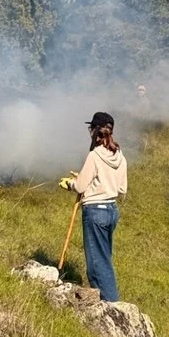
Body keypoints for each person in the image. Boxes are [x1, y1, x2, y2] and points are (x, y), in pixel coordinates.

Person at [59, 111, 127, 303]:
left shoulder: (95, 155)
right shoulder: (119, 154)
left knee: (97, 264)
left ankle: (110, 305)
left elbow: (80, 187)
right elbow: (122, 188)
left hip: (95, 211)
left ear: (94, 131)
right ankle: (107, 300)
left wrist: (72, 183)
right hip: (111, 210)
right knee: (104, 258)